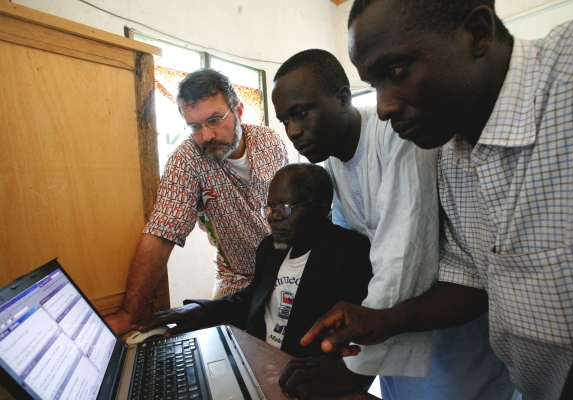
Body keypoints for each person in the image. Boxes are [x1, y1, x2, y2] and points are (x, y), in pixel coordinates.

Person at [302, 1, 573, 399]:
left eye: (396, 72)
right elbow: (472, 279)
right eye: (375, 85)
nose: (384, 107)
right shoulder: (454, 151)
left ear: (477, 33)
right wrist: (384, 319)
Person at [272, 49, 514, 399]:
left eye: (301, 112)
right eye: (284, 120)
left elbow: (401, 257)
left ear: (342, 98)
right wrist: (339, 344)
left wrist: (355, 367)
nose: (293, 131)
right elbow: (355, 256)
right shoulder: (334, 165)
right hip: (384, 325)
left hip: (446, 329)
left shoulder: (396, 135)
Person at [134, 163, 375, 397]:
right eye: (270, 207)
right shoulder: (270, 249)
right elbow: (251, 299)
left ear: (322, 207)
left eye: (286, 207)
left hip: (302, 376)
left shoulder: (350, 253)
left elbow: (363, 332)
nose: (273, 217)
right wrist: (199, 310)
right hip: (258, 359)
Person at [106, 68, 288, 335]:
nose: (206, 136)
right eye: (194, 126)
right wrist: (128, 313)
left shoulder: (269, 140)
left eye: (214, 120)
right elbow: (161, 232)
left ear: (238, 111)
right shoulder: (186, 160)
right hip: (237, 280)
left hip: (287, 268)